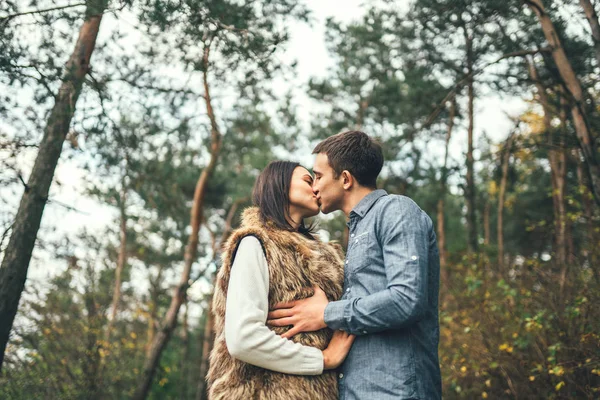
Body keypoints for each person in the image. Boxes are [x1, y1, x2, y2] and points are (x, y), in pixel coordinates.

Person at [268, 131, 442, 400]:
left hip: (396, 392)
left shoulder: (395, 210)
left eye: (319, 176)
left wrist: (326, 313)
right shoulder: (356, 232)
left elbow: (407, 299)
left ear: (346, 179)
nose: (314, 186)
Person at [207, 161, 355, 400]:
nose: (317, 187)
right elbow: (243, 338)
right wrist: (323, 359)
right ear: (279, 185)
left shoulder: (329, 258)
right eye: (308, 180)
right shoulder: (255, 243)